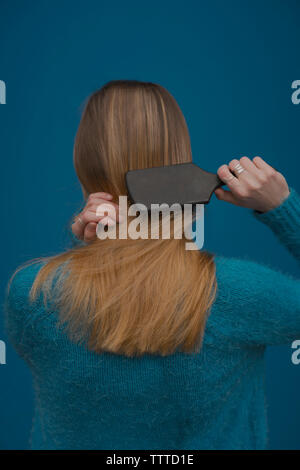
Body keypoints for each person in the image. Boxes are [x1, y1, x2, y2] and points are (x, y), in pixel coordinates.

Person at [5, 80, 300, 450]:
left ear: (84, 165)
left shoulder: (31, 294)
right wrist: (283, 207)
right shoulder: (240, 294)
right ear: (180, 160)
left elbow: (93, 302)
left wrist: (98, 245)